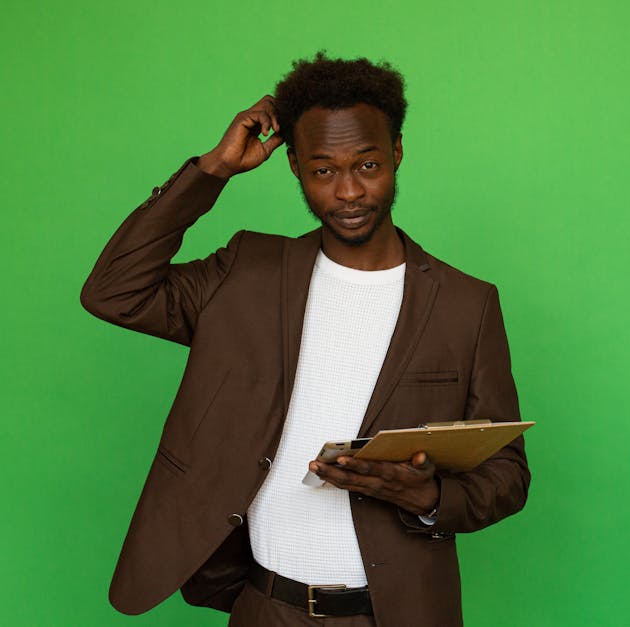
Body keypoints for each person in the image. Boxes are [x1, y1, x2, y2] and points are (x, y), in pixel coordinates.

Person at [80, 52, 530, 627]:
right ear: (293, 165)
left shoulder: (467, 305)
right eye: (323, 170)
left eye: (367, 165)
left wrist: (429, 498)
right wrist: (211, 170)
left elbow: (508, 474)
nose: (348, 191)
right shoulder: (246, 272)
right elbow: (113, 292)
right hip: (265, 608)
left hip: (398, 614)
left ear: (396, 152)